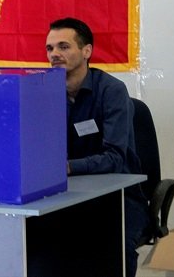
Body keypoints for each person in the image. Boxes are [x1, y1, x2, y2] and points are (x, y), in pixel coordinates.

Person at [45, 17, 148, 277]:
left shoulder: (111, 91)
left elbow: (115, 158)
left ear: (86, 51)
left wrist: (67, 167)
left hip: (117, 195)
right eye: (50, 48)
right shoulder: (43, 91)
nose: (55, 54)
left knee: (113, 247)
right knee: (38, 242)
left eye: (63, 47)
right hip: (66, 193)